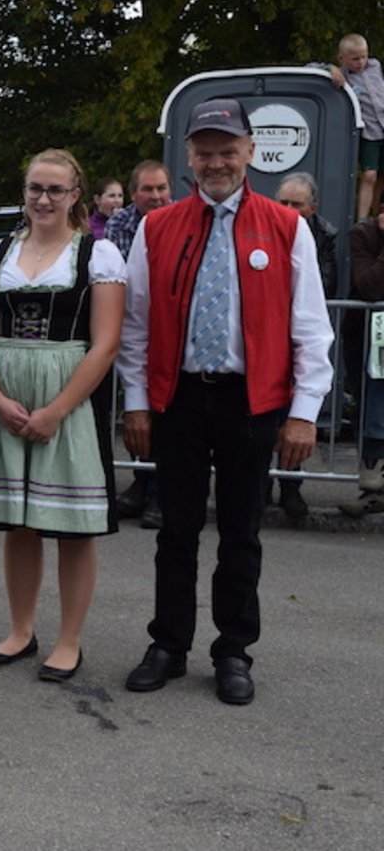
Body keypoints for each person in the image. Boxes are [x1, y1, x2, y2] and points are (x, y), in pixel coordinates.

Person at [118, 98, 334, 706]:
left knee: (242, 531)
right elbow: (136, 325)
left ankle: (234, 649)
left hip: (253, 399)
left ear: (250, 154)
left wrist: (304, 411)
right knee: (175, 530)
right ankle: (169, 644)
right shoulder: (156, 228)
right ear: (188, 156)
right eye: (205, 152)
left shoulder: (286, 226)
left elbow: (312, 328)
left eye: (227, 151)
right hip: (180, 398)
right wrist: (136, 401)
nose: (216, 162)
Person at [0, 149, 126, 683]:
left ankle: (69, 640)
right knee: (20, 521)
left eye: (56, 189)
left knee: (73, 527)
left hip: (69, 397)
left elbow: (104, 345)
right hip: (7, 394)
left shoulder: (98, 256)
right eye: (36, 187)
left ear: (76, 195)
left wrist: (56, 410)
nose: (43, 198)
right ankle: (20, 630)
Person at [265, 172, 340, 518]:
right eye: (283, 203)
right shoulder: (262, 227)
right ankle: (261, 486)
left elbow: (327, 282)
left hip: (300, 337)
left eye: (297, 204)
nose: (289, 210)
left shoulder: (325, 234)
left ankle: (291, 487)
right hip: (267, 337)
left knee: (295, 416)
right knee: (265, 417)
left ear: (312, 207)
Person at [103, 160, 173, 529]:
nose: (157, 196)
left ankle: (161, 490)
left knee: (165, 412)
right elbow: (118, 276)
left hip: (169, 332)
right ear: (134, 195)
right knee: (134, 409)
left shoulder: (178, 221)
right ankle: (142, 480)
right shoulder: (119, 224)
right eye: (148, 189)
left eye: (162, 188)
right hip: (129, 325)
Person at [340, 212, 384, 515]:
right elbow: (369, 288)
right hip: (367, 338)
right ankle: (372, 486)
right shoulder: (363, 234)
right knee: (371, 407)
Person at [320, 34, 384, 219]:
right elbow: (311, 68)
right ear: (342, 59)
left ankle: (375, 214)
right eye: (355, 59)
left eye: (364, 56)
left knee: (380, 176)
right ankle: (361, 219)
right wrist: (330, 68)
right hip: (369, 133)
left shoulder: (375, 66)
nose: (361, 62)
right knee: (369, 174)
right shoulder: (343, 75)